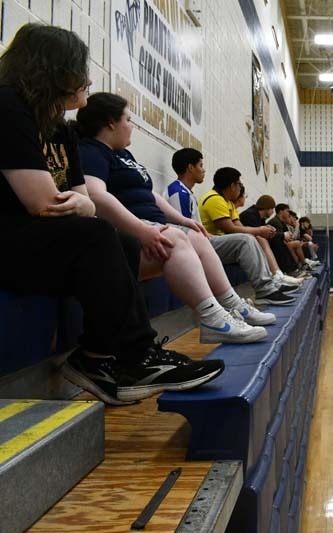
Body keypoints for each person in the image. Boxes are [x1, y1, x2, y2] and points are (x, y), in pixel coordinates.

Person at [0, 23, 223, 405]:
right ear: (54, 70)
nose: (86, 83)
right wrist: (78, 205)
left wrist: (79, 205)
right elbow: (43, 203)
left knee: (120, 241)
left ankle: (98, 358)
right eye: (78, 72)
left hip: (38, 238)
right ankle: (138, 356)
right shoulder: (7, 105)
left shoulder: (61, 130)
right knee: (99, 236)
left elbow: (82, 202)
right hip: (8, 237)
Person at [76, 92, 273, 344]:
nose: (132, 125)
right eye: (128, 118)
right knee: (176, 239)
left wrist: (185, 220)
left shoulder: (124, 155)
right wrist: (140, 230)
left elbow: (151, 195)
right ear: (111, 122)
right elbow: (95, 195)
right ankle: (212, 318)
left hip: (154, 225)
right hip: (128, 232)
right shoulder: (91, 151)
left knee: (196, 237)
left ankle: (233, 307)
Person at [166, 149, 297, 305]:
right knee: (245, 240)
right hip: (193, 246)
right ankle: (266, 289)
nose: (204, 170)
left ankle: (270, 282)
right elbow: (184, 232)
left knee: (249, 238)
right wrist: (258, 231)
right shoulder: (180, 192)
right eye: (201, 165)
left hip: (203, 240)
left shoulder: (189, 193)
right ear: (190, 168)